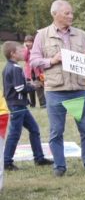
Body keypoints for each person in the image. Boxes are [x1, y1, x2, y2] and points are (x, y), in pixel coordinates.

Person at [29, 0, 85, 177]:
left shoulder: (80, 34)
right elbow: (33, 60)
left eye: (71, 13)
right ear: (55, 14)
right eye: (67, 13)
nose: (71, 16)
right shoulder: (42, 35)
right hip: (55, 91)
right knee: (56, 131)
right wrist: (52, 60)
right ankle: (59, 166)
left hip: (79, 89)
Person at [2, 41, 53, 170]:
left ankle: (39, 158)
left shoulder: (8, 67)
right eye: (20, 51)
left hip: (19, 105)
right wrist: (34, 86)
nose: (23, 53)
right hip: (17, 106)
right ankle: (6, 162)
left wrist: (32, 84)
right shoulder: (16, 68)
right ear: (13, 54)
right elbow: (19, 88)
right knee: (14, 133)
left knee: (34, 129)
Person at [22, 35, 45, 109]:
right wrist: (27, 49)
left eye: (30, 41)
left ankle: (43, 104)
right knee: (30, 89)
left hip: (38, 72)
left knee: (40, 88)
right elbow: (24, 58)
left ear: (33, 42)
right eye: (26, 42)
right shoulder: (26, 51)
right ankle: (32, 104)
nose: (28, 43)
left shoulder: (37, 49)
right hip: (29, 73)